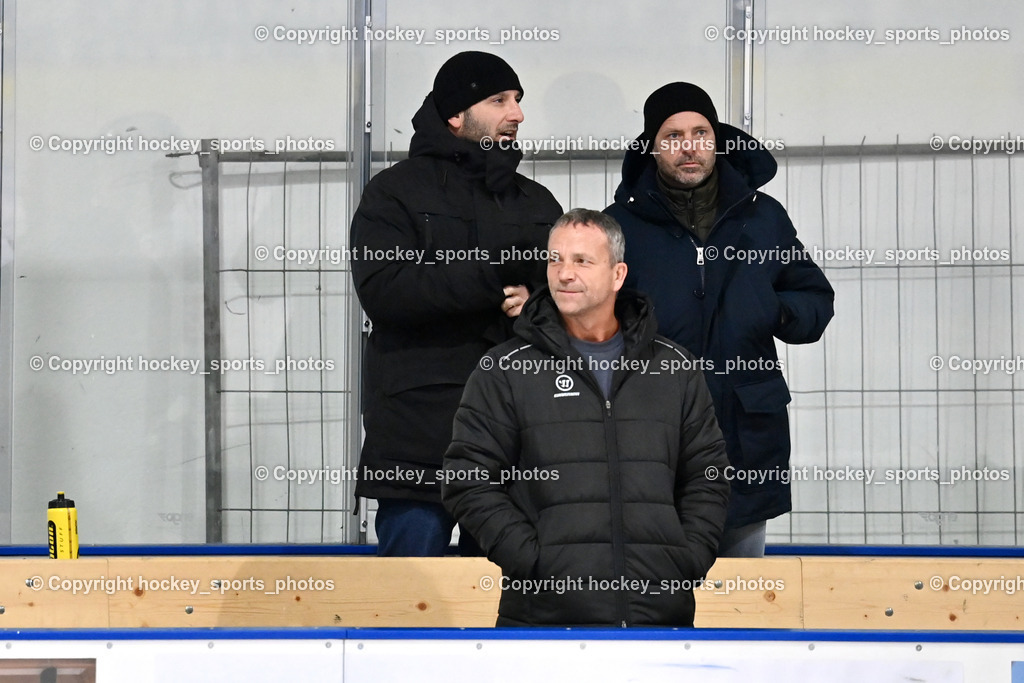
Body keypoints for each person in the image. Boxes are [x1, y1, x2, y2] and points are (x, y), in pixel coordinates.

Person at [443, 209, 730, 627]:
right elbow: (468, 478)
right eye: (555, 259)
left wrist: (684, 562)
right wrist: (535, 562)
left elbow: (708, 476)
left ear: (617, 275)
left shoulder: (676, 368)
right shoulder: (505, 369)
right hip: (543, 621)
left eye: (582, 261)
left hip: (659, 619)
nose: (563, 274)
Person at [605, 82, 834, 557]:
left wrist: (770, 309)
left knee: (741, 598)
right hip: (652, 436)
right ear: (652, 146)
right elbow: (586, 319)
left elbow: (814, 301)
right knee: (653, 594)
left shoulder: (763, 218)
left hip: (746, 435)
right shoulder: (619, 226)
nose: (689, 146)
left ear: (717, 141)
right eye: (672, 136)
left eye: (700, 133)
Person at [350, 51, 563, 556]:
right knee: (408, 607)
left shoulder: (538, 202)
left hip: (514, 443)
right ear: (455, 115)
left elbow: (571, 301)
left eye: (518, 100)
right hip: (415, 441)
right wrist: (493, 275)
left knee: (504, 610)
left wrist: (534, 304)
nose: (517, 113)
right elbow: (385, 291)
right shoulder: (393, 194)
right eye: (499, 100)